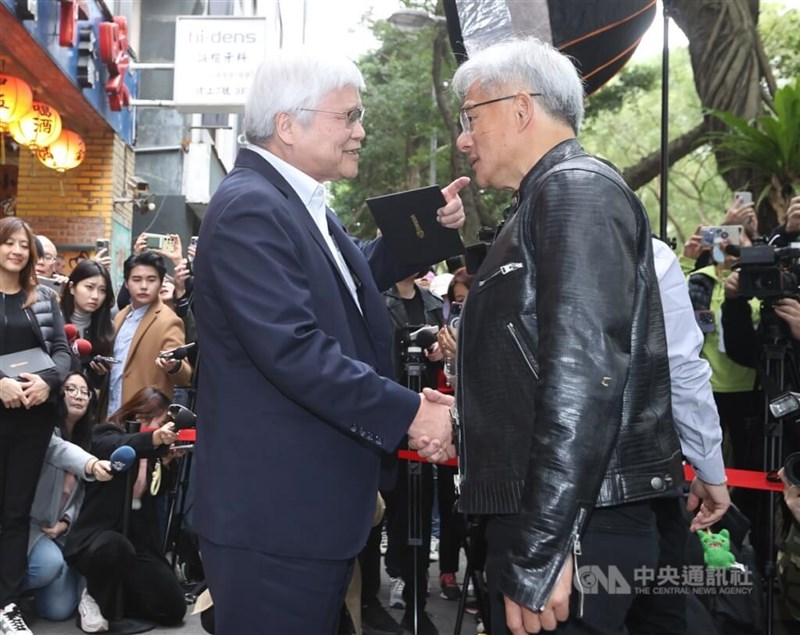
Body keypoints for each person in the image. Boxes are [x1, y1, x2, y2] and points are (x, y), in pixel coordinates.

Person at [192, 47, 467, 634]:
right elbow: (294, 350)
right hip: (276, 520)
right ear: (288, 125)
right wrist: (412, 411)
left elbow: (345, 283)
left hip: (304, 514)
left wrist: (424, 230)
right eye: (349, 116)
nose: (361, 132)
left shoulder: (293, 200)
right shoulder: (251, 208)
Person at [443, 37, 710, 635]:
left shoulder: (574, 190)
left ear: (520, 108)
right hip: (563, 514)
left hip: (575, 523)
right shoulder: (544, 196)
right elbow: (539, 369)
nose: (463, 138)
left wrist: (545, 545)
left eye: (470, 117)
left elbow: (585, 378)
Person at [64, 387, 186, 633]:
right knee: (114, 546)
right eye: (161, 423)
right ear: (141, 417)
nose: (165, 431)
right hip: (100, 538)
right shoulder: (104, 433)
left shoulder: (153, 453)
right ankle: (94, 598)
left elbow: (153, 495)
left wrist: (166, 462)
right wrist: (153, 440)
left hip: (138, 544)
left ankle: (117, 598)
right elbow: (118, 445)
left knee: (172, 607)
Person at [0, 217, 72, 635]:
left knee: (14, 515)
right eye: (8, 243)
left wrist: (48, 383)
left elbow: (63, 350)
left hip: (32, 421)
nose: (16, 250)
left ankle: (7, 605)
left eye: (22, 245)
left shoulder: (43, 296)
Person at [24, 372, 113, 623]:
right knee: (49, 565)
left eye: (84, 392)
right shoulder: (43, 431)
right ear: (58, 395)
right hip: (32, 527)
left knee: (59, 609)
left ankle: (30, 592)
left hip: (60, 532)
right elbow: (59, 451)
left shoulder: (88, 439)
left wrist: (65, 522)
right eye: (71, 389)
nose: (79, 396)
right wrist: (92, 464)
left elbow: (80, 496)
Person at [106, 252, 192, 419]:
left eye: (151, 280)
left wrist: (174, 366)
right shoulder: (120, 316)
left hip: (144, 416)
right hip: (111, 409)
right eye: (137, 280)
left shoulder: (169, 320)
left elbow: (185, 375)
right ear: (126, 283)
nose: (144, 286)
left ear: (161, 284)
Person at [60, 259, 116, 392]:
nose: (95, 296)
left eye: (102, 290)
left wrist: (100, 374)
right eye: (89, 287)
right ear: (72, 288)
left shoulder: (108, 328)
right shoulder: (54, 320)